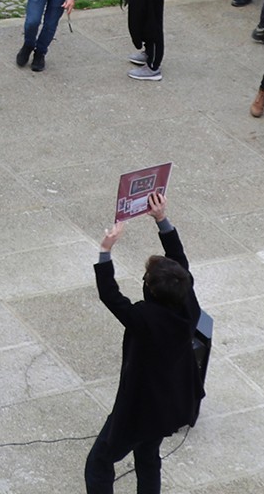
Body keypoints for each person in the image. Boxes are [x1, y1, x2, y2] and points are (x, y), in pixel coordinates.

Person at [87, 190, 202, 494]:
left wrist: (105, 250)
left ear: (149, 289)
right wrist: (161, 219)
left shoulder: (145, 319)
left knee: (99, 462)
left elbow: (110, 294)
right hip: (171, 405)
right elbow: (181, 263)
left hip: (140, 409)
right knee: (148, 458)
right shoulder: (188, 305)